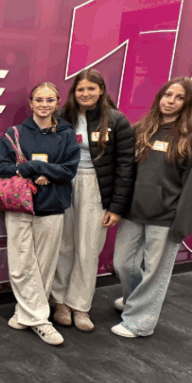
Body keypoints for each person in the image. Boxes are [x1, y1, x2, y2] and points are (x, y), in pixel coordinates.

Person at [112, 78, 192, 338]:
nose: (171, 101)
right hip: (134, 212)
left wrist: (184, 223)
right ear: (159, 97)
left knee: (154, 272)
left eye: (179, 97)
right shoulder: (142, 129)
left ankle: (140, 323)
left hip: (167, 217)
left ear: (187, 104)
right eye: (168, 95)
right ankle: (135, 301)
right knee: (123, 264)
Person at [0, 82, 80, 346]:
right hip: (20, 206)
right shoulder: (15, 133)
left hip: (52, 206)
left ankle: (28, 315)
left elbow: (69, 170)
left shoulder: (66, 133)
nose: (44, 105)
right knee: (20, 266)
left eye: (50, 100)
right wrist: (33, 168)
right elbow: (3, 167)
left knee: (44, 267)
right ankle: (41, 320)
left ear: (57, 103)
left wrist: (47, 173)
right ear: (31, 103)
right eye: (39, 100)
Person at [50, 69, 135, 331]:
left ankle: (80, 305)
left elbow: (125, 166)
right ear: (74, 93)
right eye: (80, 89)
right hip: (65, 183)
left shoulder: (117, 120)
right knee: (63, 245)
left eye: (91, 89)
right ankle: (60, 301)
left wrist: (116, 207)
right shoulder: (63, 117)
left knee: (89, 249)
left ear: (101, 90)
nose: (85, 94)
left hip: (97, 188)